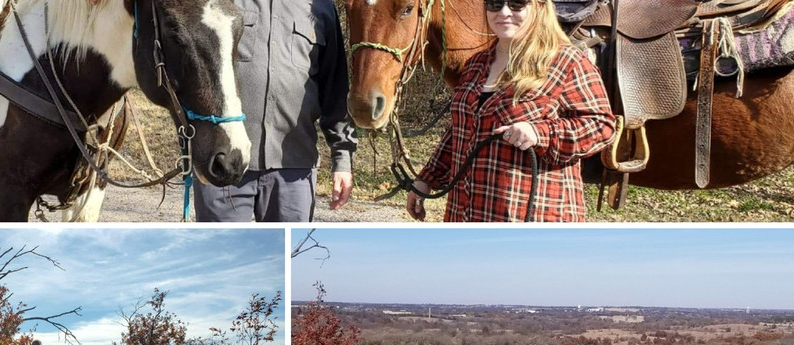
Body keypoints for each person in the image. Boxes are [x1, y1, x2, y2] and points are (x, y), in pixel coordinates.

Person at [406, 0, 614, 222]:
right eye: (495, 4)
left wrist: (540, 133)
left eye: (517, 3)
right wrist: (427, 180)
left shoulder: (566, 61)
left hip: (533, 218)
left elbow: (601, 126)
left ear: (539, 7)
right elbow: (461, 130)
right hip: (465, 215)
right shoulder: (476, 65)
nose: (504, 12)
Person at [193, 0, 356, 222]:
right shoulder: (222, 2)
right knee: (222, 252)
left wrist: (342, 160)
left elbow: (335, 91)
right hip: (224, 160)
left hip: (294, 166)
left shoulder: (321, 7)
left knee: (288, 252)